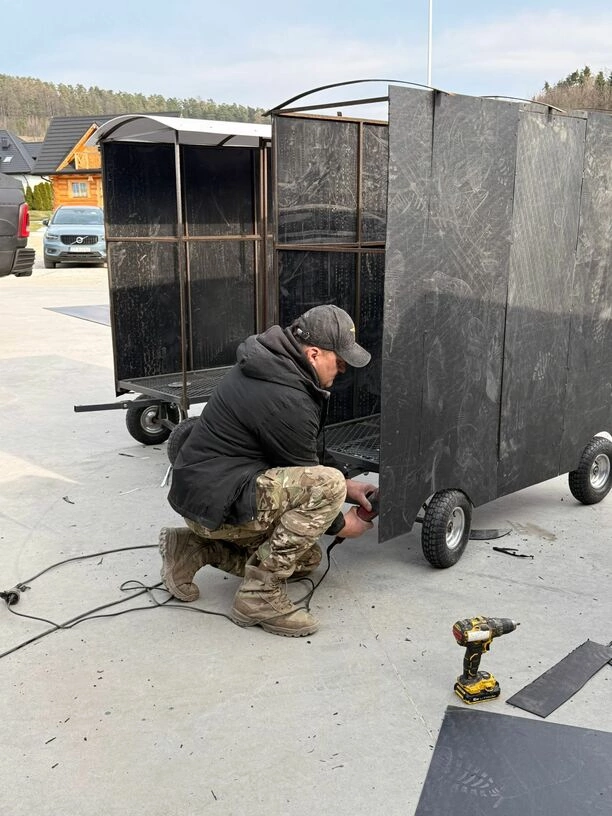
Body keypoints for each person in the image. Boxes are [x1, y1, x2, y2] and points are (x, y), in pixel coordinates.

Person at [160, 304, 377, 637]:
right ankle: (258, 598)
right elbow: (314, 477)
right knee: (327, 488)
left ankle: (193, 548)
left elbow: (306, 453)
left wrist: (349, 486)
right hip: (216, 499)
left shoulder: (279, 368)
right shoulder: (284, 394)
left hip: (210, 494)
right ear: (316, 354)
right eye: (341, 360)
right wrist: (342, 524)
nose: (344, 368)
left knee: (307, 559)